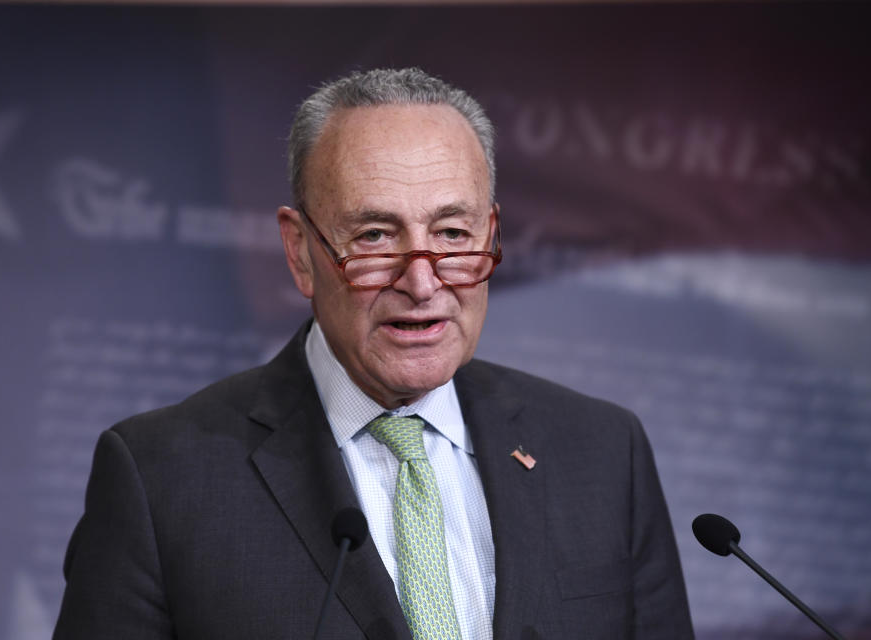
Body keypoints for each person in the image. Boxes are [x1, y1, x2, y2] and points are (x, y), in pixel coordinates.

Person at [54, 67, 693, 639]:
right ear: (301, 251)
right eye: (375, 236)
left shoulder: (605, 454)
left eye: (451, 233)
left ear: (491, 235)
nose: (422, 281)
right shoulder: (161, 479)